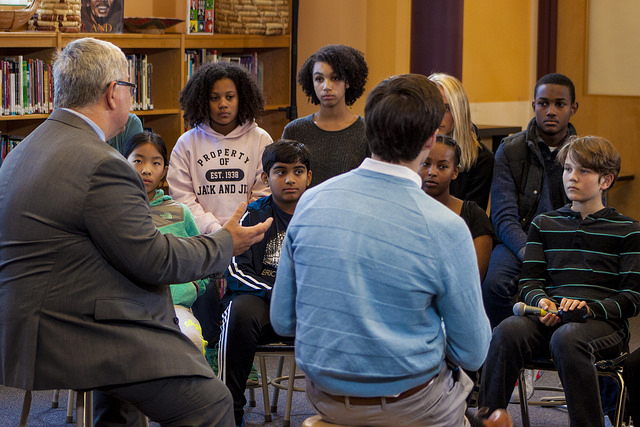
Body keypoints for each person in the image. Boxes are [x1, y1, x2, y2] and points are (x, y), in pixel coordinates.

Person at [0, 37, 272, 427]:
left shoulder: (25, 149)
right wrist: (227, 242)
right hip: (76, 329)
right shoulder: (102, 164)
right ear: (114, 93)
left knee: (122, 404)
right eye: (129, 87)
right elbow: (155, 260)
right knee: (210, 401)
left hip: (31, 324)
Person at [271, 73, 499, 426]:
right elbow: (472, 350)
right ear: (430, 138)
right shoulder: (446, 226)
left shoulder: (311, 202)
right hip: (411, 403)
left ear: (368, 129)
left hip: (323, 397)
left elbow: (283, 321)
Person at [479, 136, 640, 427]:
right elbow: (529, 282)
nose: (572, 178)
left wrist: (589, 309)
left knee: (569, 338)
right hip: (549, 318)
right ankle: (488, 419)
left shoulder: (628, 231)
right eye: (567, 169)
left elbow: (632, 298)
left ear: (606, 180)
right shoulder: (544, 224)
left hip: (601, 326)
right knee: (506, 331)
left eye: (583, 171)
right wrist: (542, 301)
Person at [167, 61, 273, 367]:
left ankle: (242, 358)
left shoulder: (261, 139)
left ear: (242, 98)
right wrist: (219, 231)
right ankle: (213, 353)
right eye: (215, 97)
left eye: (230, 96)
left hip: (250, 241)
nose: (223, 104)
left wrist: (238, 231)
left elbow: (264, 192)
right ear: (202, 100)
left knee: (243, 302)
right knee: (207, 297)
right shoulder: (187, 143)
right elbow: (183, 197)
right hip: (203, 241)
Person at [219, 139, 312, 427]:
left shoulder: (320, 215)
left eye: (298, 171)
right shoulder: (254, 214)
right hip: (264, 301)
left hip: (309, 305)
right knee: (239, 310)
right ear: (265, 177)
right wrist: (279, 293)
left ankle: (347, 409)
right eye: (280, 171)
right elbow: (235, 271)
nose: (289, 179)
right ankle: (229, 411)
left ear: (309, 176)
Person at [482, 73, 579, 328]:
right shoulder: (510, 149)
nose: (550, 111)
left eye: (560, 104)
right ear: (533, 105)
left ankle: (548, 346)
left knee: (581, 290)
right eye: (543, 103)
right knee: (494, 285)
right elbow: (503, 218)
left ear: (573, 108)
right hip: (518, 241)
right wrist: (530, 252)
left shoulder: (584, 154)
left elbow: (588, 215)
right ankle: (510, 348)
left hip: (566, 242)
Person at [123, 131, 208, 353]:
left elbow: (201, 260)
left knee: (192, 340)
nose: (146, 169)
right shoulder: (114, 212)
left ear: (165, 171)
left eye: (156, 162)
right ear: (123, 164)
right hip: (127, 309)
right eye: (138, 160)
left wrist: (194, 287)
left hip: (176, 307)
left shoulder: (180, 213)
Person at [282, 44, 369, 186]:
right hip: (307, 207)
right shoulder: (295, 130)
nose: (326, 86)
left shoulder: (367, 131)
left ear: (347, 82)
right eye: (319, 79)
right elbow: (286, 182)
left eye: (335, 78)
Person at [420, 134, 494, 280]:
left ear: (455, 172)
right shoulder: (405, 209)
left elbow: (473, 279)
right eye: (426, 164)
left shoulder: (474, 216)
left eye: (442, 166)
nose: (432, 172)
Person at [428, 73, 494, 210]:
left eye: (446, 108)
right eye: (433, 106)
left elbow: (471, 216)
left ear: (459, 112)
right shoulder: (412, 151)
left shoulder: (481, 159)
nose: (438, 115)